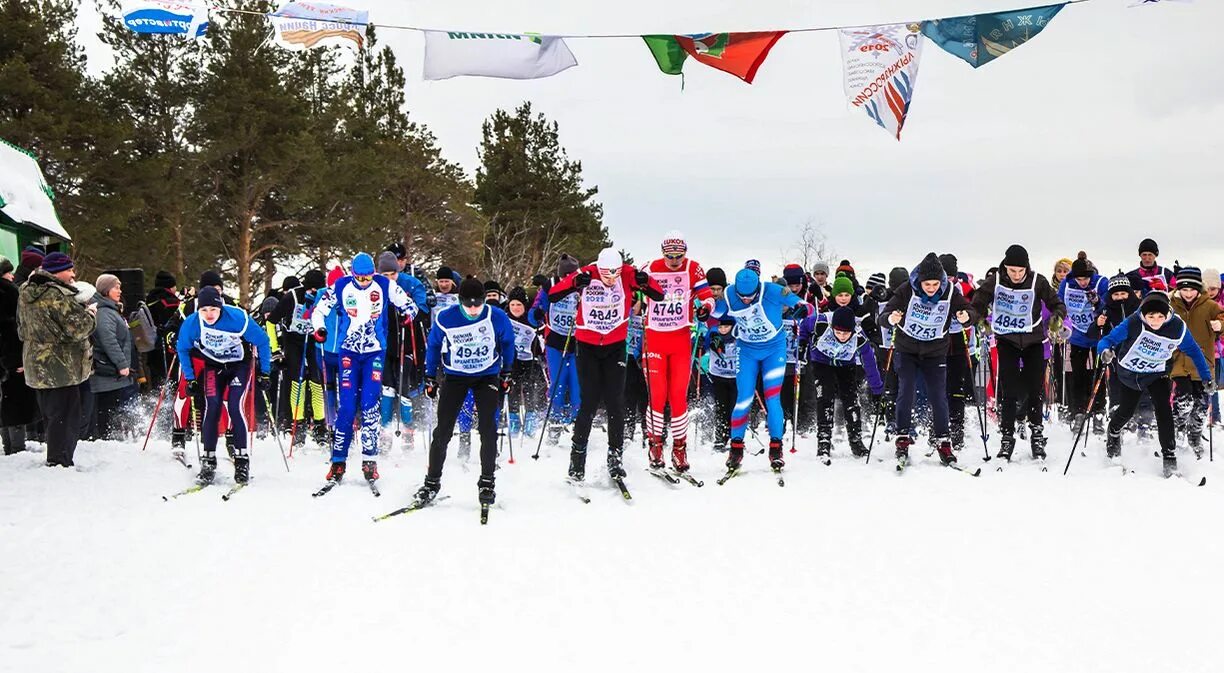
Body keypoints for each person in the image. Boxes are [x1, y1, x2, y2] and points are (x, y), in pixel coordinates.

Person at [549, 249, 664, 482]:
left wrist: (646, 282)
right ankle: (577, 460)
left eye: (615, 276)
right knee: (588, 403)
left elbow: (659, 295)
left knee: (616, 402)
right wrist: (574, 284)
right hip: (588, 347)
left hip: (615, 346)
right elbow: (553, 294)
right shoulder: (587, 272)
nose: (611, 280)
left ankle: (615, 457)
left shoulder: (629, 274)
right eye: (606, 276)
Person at [311, 253, 418, 486]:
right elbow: (318, 311)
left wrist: (408, 314)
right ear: (352, 274)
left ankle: (370, 459)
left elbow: (410, 305)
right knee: (347, 406)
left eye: (367, 277)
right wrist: (319, 328)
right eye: (359, 278)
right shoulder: (340, 286)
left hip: (374, 352)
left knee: (370, 405)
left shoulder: (384, 284)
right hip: (348, 352)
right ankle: (338, 460)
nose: (364, 282)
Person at [415, 278, 516, 506]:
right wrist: (430, 376)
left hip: (487, 375)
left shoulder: (496, 316)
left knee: (488, 430)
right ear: (459, 301)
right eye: (468, 305)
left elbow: (508, 343)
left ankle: (487, 481)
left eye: (477, 305)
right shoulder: (446, 317)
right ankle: (431, 483)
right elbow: (433, 346)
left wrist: (507, 372)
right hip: (456, 376)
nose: (472, 310)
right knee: (443, 431)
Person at [1098, 291, 1213, 476]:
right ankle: (1113, 432)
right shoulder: (1134, 322)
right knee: (1126, 412)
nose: (1155, 321)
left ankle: (1169, 457)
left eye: (1160, 316)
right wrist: (1104, 351)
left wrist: (1206, 377)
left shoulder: (1176, 327)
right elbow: (1107, 340)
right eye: (1150, 316)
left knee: (1163, 409)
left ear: (1167, 313)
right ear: (1143, 313)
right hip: (1131, 372)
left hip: (1157, 372)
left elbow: (1194, 351)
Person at [970, 244, 1066, 461]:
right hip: (1007, 341)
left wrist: (1056, 319)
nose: (1016, 275)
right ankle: (1007, 437)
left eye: (1020, 271)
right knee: (1009, 391)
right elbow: (976, 305)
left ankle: (1037, 435)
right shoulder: (994, 281)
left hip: (1034, 341)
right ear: (1005, 267)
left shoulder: (1037, 281)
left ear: (1027, 268)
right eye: (1012, 270)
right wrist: (980, 321)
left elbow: (1057, 304)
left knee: (1035, 390)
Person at [883, 253, 975, 466]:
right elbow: (885, 314)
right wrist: (890, 318)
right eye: (927, 284)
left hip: (935, 352)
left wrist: (965, 316)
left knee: (938, 395)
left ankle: (943, 441)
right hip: (907, 350)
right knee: (906, 390)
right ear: (919, 281)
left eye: (935, 284)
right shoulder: (906, 289)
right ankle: (903, 438)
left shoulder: (950, 291)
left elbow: (970, 311)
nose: (931, 288)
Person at [176, 287, 271, 484]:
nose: (209, 314)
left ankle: (242, 460)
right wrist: (191, 378)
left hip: (239, 366)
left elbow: (263, 341)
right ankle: (209, 461)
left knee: (235, 406)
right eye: (204, 310)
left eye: (213, 309)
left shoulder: (237, 318)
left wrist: (265, 372)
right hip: (213, 366)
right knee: (212, 406)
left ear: (220, 307)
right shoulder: (192, 324)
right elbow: (182, 349)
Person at [721, 267, 809, 472]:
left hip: (773, 350)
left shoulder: (773, 290)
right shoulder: (729, 293)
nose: (744, 300)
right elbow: (716, 310)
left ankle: (776, 447)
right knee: (743, 398)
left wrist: (802, 309)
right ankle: (736, 448)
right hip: (747, 350)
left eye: (749, 296)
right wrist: (705, 312)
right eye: (741, 296)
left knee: (772, 397)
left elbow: (803, 304)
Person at [641, 231, 715, 472]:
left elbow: (707, 296)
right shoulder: (650, 267)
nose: (674, 261)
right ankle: (655, 444)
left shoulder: (693, 268)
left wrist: (705, 308)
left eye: (679, 256)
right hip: (654, 340)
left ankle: (679, 448)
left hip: (680, 339)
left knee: (678, 397)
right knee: (657, 397)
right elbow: (629, 286)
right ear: (662, 253)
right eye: (670, 256)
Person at [17, 252, 97, 467]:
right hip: (61, 366)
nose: (73, 274)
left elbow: (20, 328)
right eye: (70, 269)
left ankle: (56, 457)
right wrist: (90, 314)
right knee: (66, 417)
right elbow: (79, 328)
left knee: (52, 416)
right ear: (58, 271)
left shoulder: (26, 290)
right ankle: (59, 462)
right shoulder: (56, 294)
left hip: (36, 364)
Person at [799, 306, 885, 458]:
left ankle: (855, 440)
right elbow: (804, 326)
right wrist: (802, 344)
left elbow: (870, 363)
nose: (842, 336)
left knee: (851, 399)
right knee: (825, 397)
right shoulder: (820, 322)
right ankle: (824, 441)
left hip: (845, 364)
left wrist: (877, 391)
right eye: (838, 332)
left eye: (846, 333)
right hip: (821, 361)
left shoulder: (859, 336)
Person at [269, 270, 327, 446]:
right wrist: (275, 349)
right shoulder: (292, 297)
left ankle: (320, 427)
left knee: (316, 381)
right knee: (297, 380)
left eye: (318, 291)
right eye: (311, 291)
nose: (314, 295)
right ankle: (298, 425)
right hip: (293, 340)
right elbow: (271, 322)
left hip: (313, 341)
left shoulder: (324, 298)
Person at [1169, 267, 1222, 458]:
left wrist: (1220, 325)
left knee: (1201, 404)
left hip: (1203, 363)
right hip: (1179, 361)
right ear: (1178, 289)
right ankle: (1176, 431)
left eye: (1192, 289)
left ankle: (1195, 436)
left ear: (1199, 289)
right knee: (1183, 399)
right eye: (1184, 289)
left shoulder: (1209, 305)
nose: (1188, 293)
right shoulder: (1171, 304)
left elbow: (1223, 317)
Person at [530, 254, 582, 444]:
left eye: (572, 275)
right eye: (566, 275)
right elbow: (535, 310)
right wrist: (535, 314)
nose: (569, 279)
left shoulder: (582, 285)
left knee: (577, 384)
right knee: (557, 383)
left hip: (577, 342)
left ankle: (577, 422)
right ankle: (555, 422)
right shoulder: (550, 285)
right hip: (555, 341)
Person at [1059, 253, 1110, 428]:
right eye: (1079, 279)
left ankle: (1099, 410)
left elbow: (1109, 306)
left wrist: (1098, 301)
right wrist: (1059, 323)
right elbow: (1060, 304)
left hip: (1097, 336)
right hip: (1077, 336)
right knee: (1077, 374)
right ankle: (1078, 411)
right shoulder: (1066, 284)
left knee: (1098, 373)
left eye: (1086, 279)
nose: (1083, 282)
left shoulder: (1101, 282)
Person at [89, 274, 138, 440]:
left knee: (112, 408)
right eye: (116, 287)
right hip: (107, 371)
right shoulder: (104, 313)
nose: (120, 290)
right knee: (106, 409)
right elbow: (108, 340)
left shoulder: (111, 309)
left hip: (113, 373)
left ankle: (111, 437)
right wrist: (122, 364)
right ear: (105, 289)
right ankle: (105, 439)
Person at [0, 256, 38, 454]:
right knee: (15, 405)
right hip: (12, 359)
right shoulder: (11, 292)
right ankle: (16, 449)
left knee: (5, 404)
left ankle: (9, 447)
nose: (11, 275)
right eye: (8, 272)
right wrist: (21, 359)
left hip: (4, 360)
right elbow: (17, 331)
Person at [505, 286, 545, 438]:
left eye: (519, 305)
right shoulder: (505, 318)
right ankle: (514, 417)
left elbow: (541, 338)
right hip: (512, 359)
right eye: (513, 304)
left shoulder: (531, 319)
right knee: (513, 388)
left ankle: (530, 417)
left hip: (530, 359)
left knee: (530, 386)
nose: (515, 308)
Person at [705, 315, 738, 452]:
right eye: (721, 327)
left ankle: (735, 438)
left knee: (734, 409)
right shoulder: (713, 334)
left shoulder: (738, 335)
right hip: (719, 377)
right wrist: (701, 342)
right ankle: (720, 438)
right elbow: (703, 346)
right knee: (721, 408)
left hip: (736, 378)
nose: (723, 330)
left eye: (726, 327)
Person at [144, 270, 181, 389]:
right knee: (171, 381)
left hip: (151, 347)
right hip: (167, 348)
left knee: (157, 381)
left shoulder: (149, 299)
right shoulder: (170, 302)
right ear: (170, 286)